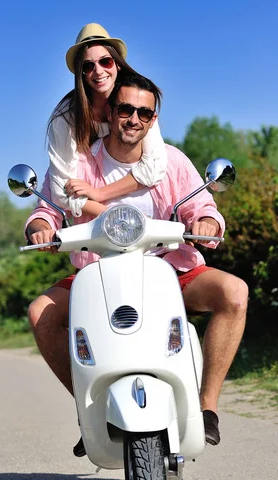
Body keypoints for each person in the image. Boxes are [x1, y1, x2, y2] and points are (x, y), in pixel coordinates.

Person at [26, 72, 248, 455]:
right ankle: (88, 408)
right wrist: (41, 228)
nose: (134, 119)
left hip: (170, 267)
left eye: (145, 113)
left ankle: (207, 407)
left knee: (234, 292)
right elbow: (46, 208)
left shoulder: (171, 160)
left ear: (153, 119)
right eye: (126, 109)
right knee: (40, 312)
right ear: (110, 112)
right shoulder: (78, 163)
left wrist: (207, 222)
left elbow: (204, 206)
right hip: (98, 273)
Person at [47, 22, 168, 218]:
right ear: (81, 74)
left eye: (105, 62)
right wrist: (117, 217)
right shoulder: (65, 118)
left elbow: (155, 168)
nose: (98, 71)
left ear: (118, 63)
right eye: (88, 66)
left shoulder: (137, 99)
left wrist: (100, 193)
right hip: (95, 221)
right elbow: (61, 190)